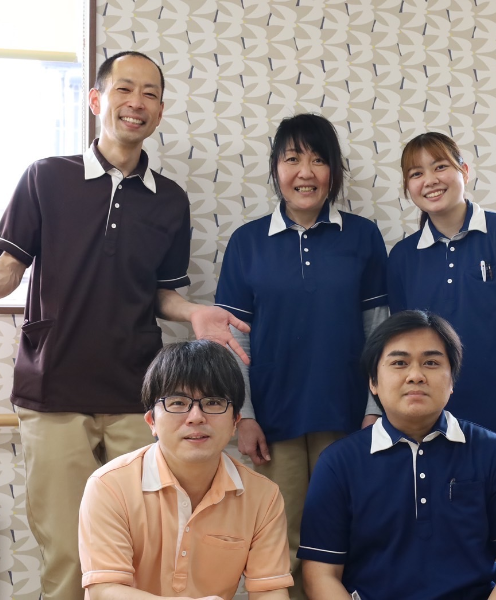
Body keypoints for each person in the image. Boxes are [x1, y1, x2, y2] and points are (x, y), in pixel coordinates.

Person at [0, 51, 249, 600]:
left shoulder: (171, 200)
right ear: (96, 100)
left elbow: (162, 294)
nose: (137, 102)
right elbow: (8, 270)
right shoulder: (46, 177)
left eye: (150, 93)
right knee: (67, 552)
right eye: (124, 89)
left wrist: (193, 312)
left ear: (160, 110)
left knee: (144, 547)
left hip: (138, 397)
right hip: (53, 391)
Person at [214, 113, 388, 598]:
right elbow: (234, 341)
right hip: (273, 422)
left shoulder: (363, 236)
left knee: (347, 538)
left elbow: (379, 332)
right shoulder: (247, 242)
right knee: (280, 546)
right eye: (292, 159)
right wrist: (244, 416)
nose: (305, 172)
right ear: (276, 168)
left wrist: (376, 409)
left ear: (334, 170)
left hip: (349, 418)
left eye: (318, 160)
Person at [298, 310, 496, 599]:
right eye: (399, 363)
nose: (415, 376)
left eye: (431, 363)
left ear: (452, 380)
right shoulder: (338, 464)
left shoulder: (495, 453)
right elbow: (320, 576)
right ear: (373, 381)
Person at [387, 131, 496, 495]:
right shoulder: (402, 257)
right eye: (416, 173)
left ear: (464, 171)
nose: (429, 180)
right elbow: (402, 345)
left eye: (440, 166)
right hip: (436, 424)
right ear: (407, 187)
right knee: (449, 525)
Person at [79, 340, 292, 600]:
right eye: (178, 402)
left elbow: (270, 590)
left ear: (235, 422)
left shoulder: (263, 496)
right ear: (152, 421)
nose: (196, 417)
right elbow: (102, 591)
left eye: (213, 402)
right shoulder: (109, 485)